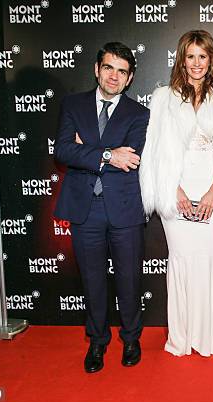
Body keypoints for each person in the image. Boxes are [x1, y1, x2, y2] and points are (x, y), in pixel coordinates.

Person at [139, 30, 213, 362]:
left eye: (203, 56)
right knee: (183, 260)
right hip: (177, 188)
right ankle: (184, 334)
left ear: (211, 60)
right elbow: (155, 152)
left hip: (211, 187)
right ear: (181, 59)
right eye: (191, 56)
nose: (197, 63)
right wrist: (174, 192)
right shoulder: (162, 98)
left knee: (209, 258)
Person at [54, 42, 149, 373]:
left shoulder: (139, 114)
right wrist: (108, 153)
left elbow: (131, 157)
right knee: (92, 279)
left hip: (124, 207)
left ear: (130, 77)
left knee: (129, 279)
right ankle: (97, 341)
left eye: (122, 71)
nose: (114, 76)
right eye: (109, 67)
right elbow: (63, 151)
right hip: (85, 208)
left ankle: (131, 338)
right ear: (97, 69)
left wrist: (89, 149)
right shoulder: (73, 105)